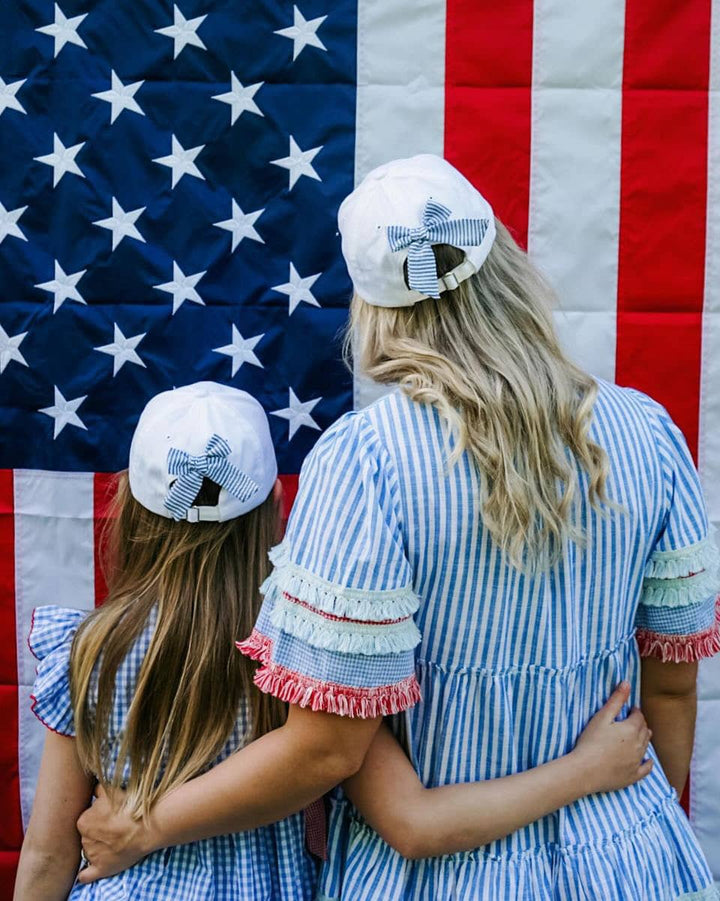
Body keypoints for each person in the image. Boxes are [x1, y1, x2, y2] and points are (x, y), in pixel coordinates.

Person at [75, 156, 720, 900]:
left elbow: (326, 750)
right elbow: (670, 690)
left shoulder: (365, 463)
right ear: (504, 263)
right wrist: (626, 832)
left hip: (437, 878)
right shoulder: (648, 431)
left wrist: (145, 824)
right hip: (634, 857)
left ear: (376, 311)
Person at [14, 380, 652, 901]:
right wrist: (586, 769)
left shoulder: (88, 651)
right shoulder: (307, 658)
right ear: (274, 504)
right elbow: (412, 816)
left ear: (128, 503)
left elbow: (47, 853)